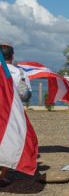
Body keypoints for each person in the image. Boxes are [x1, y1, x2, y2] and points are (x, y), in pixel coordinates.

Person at [0, 43, 33, 187]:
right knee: (11, 140)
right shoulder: (20, 73)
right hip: (13, 112)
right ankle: (2, 175)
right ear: (12, 56)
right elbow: (26, 95)